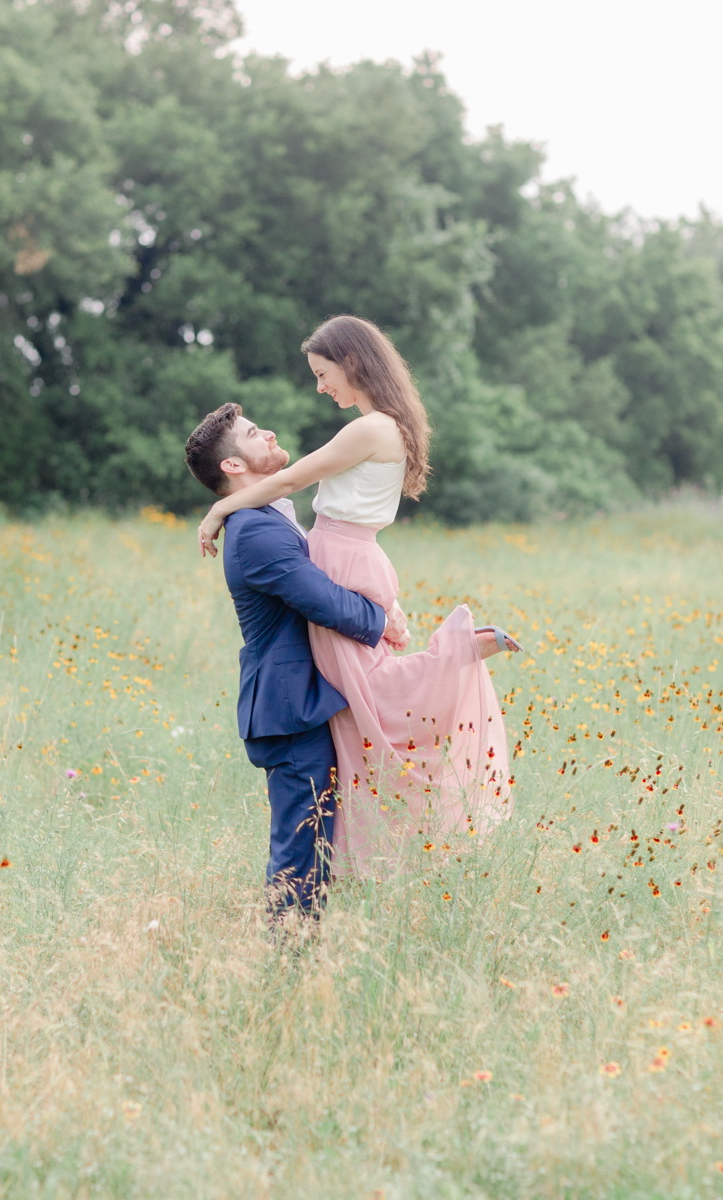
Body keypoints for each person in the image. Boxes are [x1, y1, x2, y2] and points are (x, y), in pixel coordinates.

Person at [197, 315, 520, 878]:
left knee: (371, 691)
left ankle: (459, 651)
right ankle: (459, 652)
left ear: (353, 362)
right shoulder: (380, 427)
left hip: (346, 558)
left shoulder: (369, 428)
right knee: (366, 693)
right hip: (352, 559)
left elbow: (293, 480)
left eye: (323, 374)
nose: (321, 387)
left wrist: (221, 507)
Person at [185, 403, 409, 920]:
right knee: (300, 852)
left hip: (304, 701)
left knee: (316, 846)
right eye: (251, 433)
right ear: (234, 466)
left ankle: (300, 958)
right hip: (289, 710)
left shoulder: (264, 516)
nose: (268, 431)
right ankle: (287, 965)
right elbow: (324, 601)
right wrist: (382, 619)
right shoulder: (256, 532)